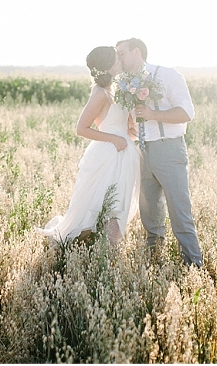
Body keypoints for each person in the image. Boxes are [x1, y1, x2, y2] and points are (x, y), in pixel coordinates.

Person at [116, 37, 203, 267]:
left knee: (179, 210)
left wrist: (154, 115)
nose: (119, 59)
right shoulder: (126, 84)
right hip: (143, 151)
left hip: (169, 149)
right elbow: (135, 124)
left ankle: (193, 263)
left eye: (121, 53)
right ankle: (154, 257)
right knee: (149, 210)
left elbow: (187, 113)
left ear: (136, 52)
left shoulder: (167, 75)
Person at [39, 46, 141, 245]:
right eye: (116, 59)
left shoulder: (116, 90)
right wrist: (116, 139)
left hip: (124, 152)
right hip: (108, 153)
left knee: (118, 203)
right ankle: (102, 246)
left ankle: (108, 245)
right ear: (108, 65)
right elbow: (82, 128)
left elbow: (119, 125)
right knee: (103, 202)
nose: (120, 61)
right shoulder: (100, 93)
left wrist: (131, 133)